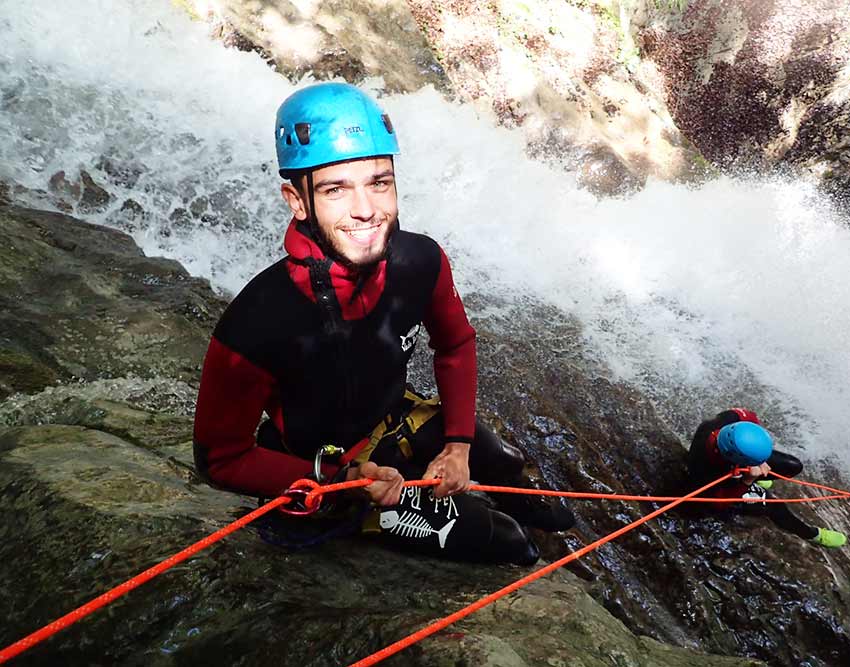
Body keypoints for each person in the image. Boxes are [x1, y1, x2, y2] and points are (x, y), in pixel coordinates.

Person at [193, 82, 573, 565]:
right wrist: (339, 482)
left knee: (513, 476)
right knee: (507, 542)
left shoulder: (420, 260)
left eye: (379, 182)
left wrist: (457, 445)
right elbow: (219, 458)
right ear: (297, 200)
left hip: (392, 417)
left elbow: (455, 343)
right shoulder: (259, 321)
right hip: (329, 465)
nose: (367, 210)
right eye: (336, 189)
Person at [686, 408, 847, 548]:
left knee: (793, 466)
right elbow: (718, 504)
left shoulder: (726, 421)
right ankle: (811, 534)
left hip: (741, 458)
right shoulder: (704, 470)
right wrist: (746, 481)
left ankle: (757, 476)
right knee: (773, 506)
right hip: (727, 480)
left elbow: (749, 416)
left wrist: (759, 459)